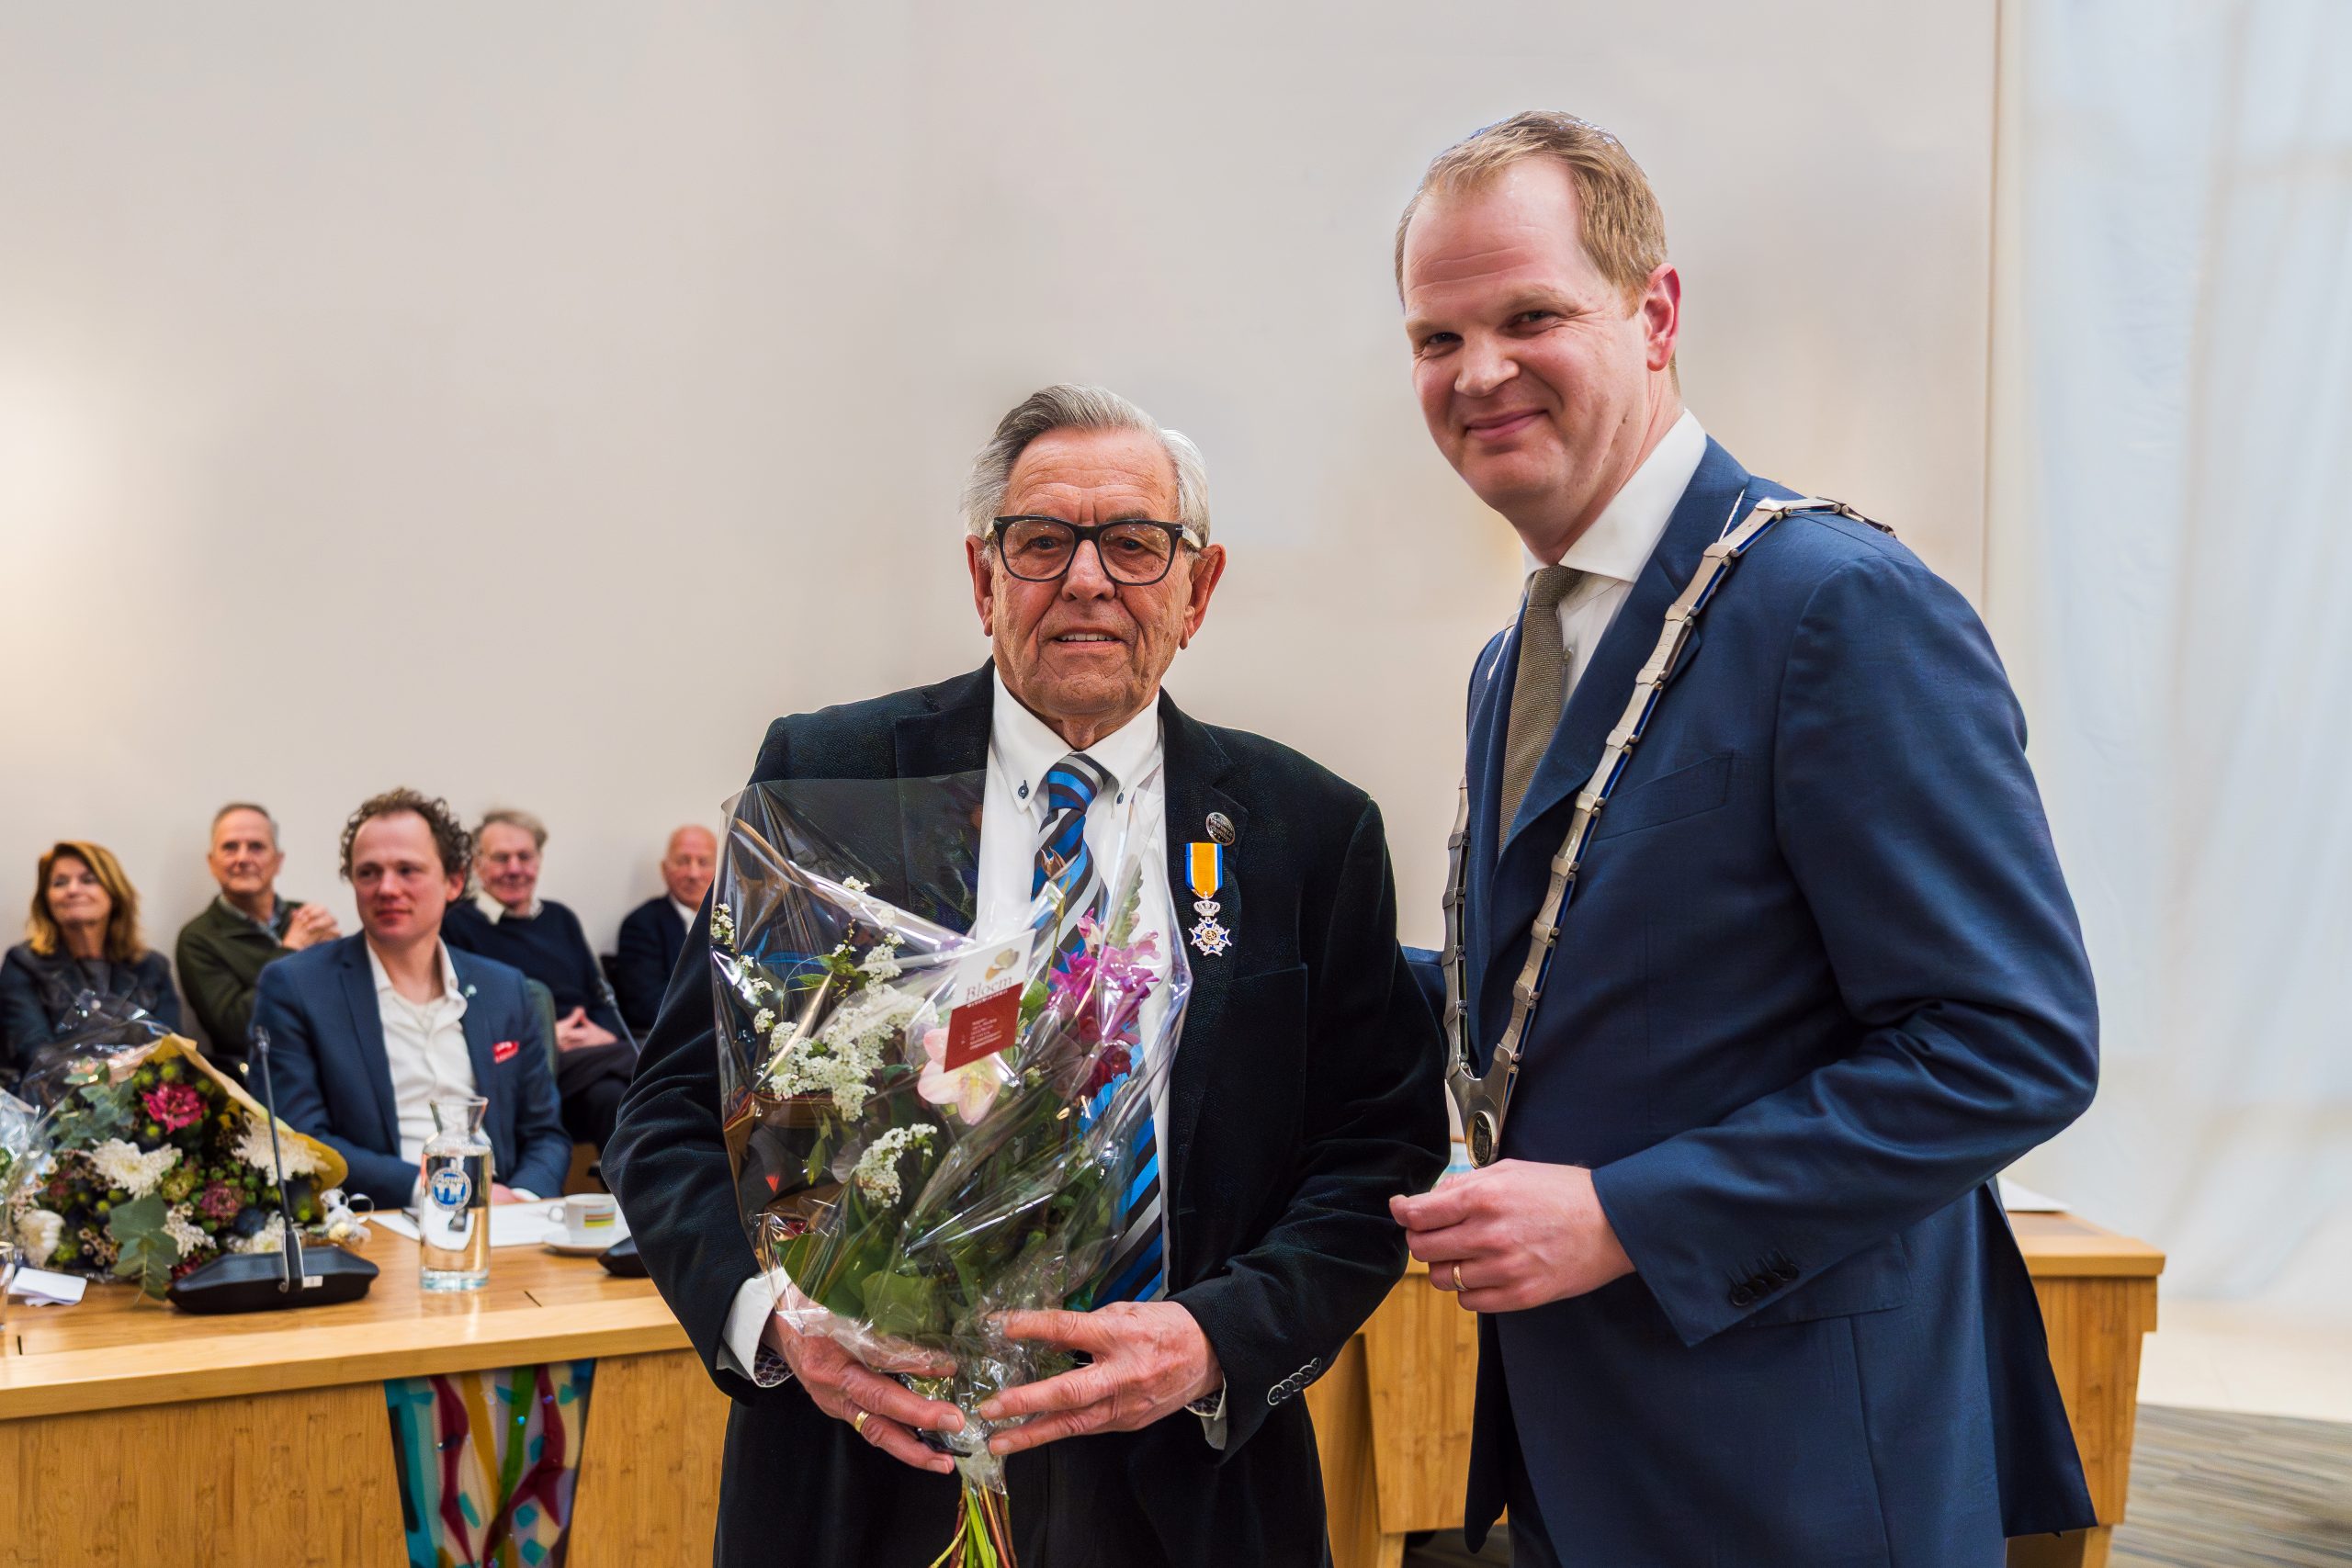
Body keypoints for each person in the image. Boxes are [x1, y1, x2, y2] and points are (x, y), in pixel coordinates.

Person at [1382, 113, 2100, 1565]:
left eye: (1528, 317)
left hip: (1802, 1470)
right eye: (1434, 337)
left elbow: (2009, 1041)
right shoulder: (1516, 651)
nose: (1477, 374)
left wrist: (1627, 1216)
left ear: (1655, 314)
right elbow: (1581, 995)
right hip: (1595, 1457)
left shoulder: (1834, 605)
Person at [606, 384, 1446, 1568]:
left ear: (1197, 589)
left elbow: (1375, 1156)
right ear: (982, 576)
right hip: (868, 1461)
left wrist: (1214, 1342)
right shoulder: (832, 777)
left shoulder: (1308, 828)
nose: (1088, 580)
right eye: (1042, 541)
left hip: (1192, 1478)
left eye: (1134, 544)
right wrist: (775, 1325)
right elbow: (675, 1117)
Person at [254, 788, 570, 1209]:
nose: (387, 888)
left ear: (454, 881)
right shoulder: (297, 987)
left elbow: (545, 1132)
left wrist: (522, 1201)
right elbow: (298, 1139)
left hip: (504, 1221)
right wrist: (444, 1192)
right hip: (376, 1219)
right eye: (368, 873)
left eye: (408, 870)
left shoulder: (503, 988)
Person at [442, 808, 637, 1152]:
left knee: (612, 1095)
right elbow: (469, 1013)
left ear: (539, 861)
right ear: (477, 864)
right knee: (647, 1064)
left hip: (587, 1058)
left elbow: (600, 997)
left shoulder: (560, 918)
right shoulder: (457, 925)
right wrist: (546, 1034)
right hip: (522, 1059)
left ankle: (632, 1202)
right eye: (502, 858)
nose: (515, 868)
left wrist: (601, 1033)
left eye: (524, 857)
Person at [175, 802, 340, 1064]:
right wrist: (291, 949)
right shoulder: (198, 937)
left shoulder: (306, 917)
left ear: (278, 861)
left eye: (256, 846)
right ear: (212, 863)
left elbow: (341, 1007)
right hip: (259, 1083)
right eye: (230, 847)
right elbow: (235, 1029)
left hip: (329, 1065)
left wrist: (338, 957)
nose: (242, 858)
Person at [2, 840, 181, 1081]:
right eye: (59, 882)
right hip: (55, 1107)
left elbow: (174, 1050)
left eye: (88, 880)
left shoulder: (151, 967)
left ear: (114, 894)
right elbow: (35, 1053)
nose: (73, 890)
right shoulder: (23, 963)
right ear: (46, 900)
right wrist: (104, 1076)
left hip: (141, 1104)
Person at [611, 824, 715, 1035]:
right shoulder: (642, 924)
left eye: (703, 862)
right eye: (683, 861)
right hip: (681, 1039)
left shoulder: (738, 918)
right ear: (664, 869)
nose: (693, 873)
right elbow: (647, 1006)